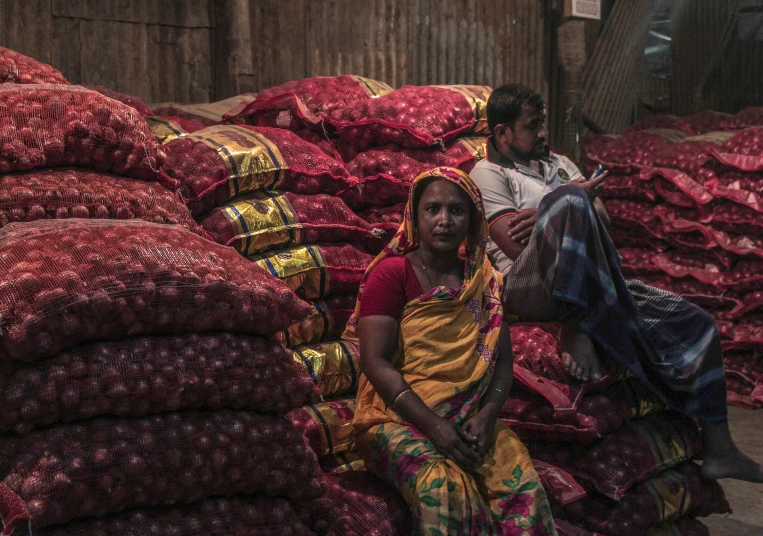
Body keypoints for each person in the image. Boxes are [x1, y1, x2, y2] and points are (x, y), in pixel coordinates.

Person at [469, 83, 763, 484]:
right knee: (571, 200)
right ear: (502, 133)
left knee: (696, 323)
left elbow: (604, 221)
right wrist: (567, 201)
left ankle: (720, 448)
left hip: (591, 275)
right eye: (532, 125)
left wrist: (554, 206)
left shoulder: (559, 165)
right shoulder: (488, 172)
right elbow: (513, 243)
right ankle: (575, 324)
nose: (542, 134)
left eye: (543, 124)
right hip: (529, 285)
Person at [344, 167, 557, 535]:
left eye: (456, 211)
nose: (444, 221)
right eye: (433, 210)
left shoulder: (483, 281)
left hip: (471, 416)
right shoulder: (393, 274)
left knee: (522, 487)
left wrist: (488, 416)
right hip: (397, 419)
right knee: (443, 488)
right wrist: (434, 426)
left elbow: (501, 364)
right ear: (415, 215)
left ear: (473, 219)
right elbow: (375, 363)